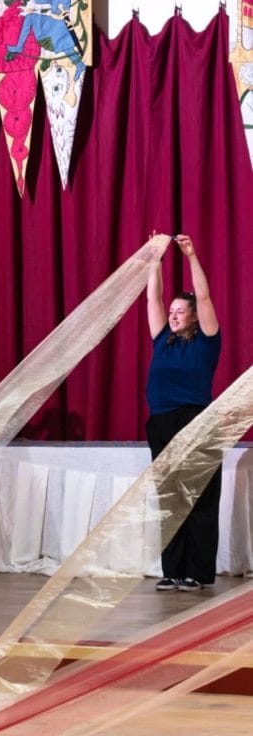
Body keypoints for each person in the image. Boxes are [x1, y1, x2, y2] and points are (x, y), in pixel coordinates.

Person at [145, 233, 221, 592]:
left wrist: (191, 255)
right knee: (170, 498)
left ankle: (198, 572)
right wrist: (155, 261)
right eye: (172, 311)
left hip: (197, 421)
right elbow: (153, 298)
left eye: (180, 311)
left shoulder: (207, 341)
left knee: (200, 497)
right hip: (162, 422)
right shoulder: (162, 339)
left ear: (193, 317)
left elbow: (203, 296)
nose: (173, 315)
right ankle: (172, 570)